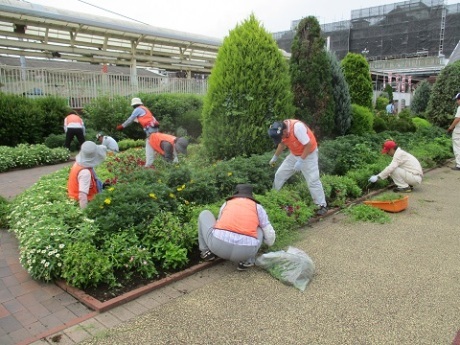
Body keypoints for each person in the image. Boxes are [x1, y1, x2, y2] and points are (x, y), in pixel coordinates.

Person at [197, 184, 276, 271]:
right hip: (245, 252)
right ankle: (247, 261)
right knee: (261, 228)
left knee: (204, 213)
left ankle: (206, 253)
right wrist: (269, 243)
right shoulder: (258, 207)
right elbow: (268, 229)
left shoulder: (227, 203)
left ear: (236, 194)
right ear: (251, 196)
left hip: (218, 247)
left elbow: (219, 221)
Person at [267, 120, 328, 216]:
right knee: (279, 174)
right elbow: (282, 144)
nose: (280, 139)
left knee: (313, 180)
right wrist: (275, 157)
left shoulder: (297, 128)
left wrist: (301, 161)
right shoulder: (282, 130)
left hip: (309, 155)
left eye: (280, 137)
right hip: (294, 154)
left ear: (284, 132)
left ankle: (321, 205)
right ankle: (273, 198)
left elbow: (309, 144)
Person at [116, 97, 160, 165]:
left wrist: (122, 126)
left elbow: (130, 119)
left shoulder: (137, 109)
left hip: (150, 129)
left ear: (134, 105)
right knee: (156, 144)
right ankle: (164, 159)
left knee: (149, 146)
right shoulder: (144, 108)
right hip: (154, 127)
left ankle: (149, 165)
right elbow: (147, 118)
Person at [67, 141, 107, 209]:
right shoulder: (85, 172)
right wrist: (85, 213)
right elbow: (82, 195)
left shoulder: (78, 164)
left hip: (73, 195)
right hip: (85, 200)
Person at [447, 93, 460, 171]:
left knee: (457, 147)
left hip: (459, 131)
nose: (457, 102)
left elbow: (458, 119)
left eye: (457, 100)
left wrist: (450, 128)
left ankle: (459, 165)